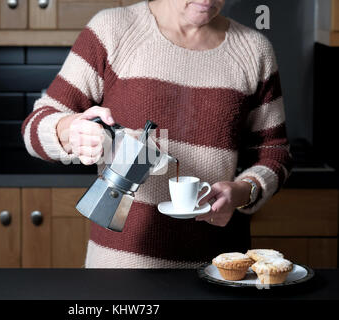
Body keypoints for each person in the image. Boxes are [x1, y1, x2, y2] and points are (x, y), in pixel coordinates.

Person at [21, 0, 292, 268]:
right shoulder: (112, 30)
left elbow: (276, 153)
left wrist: (244, 192)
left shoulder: (254, 51)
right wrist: (68, 130)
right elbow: (35, 126)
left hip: (220, 270)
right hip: (119, 269)